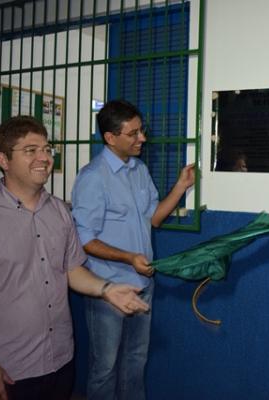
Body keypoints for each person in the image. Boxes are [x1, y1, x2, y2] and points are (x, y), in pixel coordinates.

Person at [0, 116, 148, 400]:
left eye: (47, 149)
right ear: (3, 159)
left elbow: (72, 270)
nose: (44, 157)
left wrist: (107, 290)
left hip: (59, 364)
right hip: (2, 371)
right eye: (30, 150)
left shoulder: (60, 212)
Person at [71, 99, 195, 400]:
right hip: (108, 286)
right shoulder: (92, 178)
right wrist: (128, 258)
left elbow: (153, 218)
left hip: (143, 284)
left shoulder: (139, 169)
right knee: (105, 367)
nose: (143, 138)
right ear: (110, 138)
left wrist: (180, 187)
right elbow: (84, 240)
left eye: (141, 131)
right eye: (134, 133)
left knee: (136, 361)